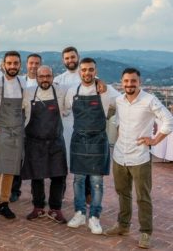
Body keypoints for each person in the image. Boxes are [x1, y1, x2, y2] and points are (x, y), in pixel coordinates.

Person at [104, 68, 173, 249]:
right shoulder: (119, 100)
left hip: (140, 157)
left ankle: (145, 232)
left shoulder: (149, 100)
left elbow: (168, 120)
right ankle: (123, 226)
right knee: (122, 193)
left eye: (133, 81)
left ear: (139, 82)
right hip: (119, 156)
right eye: (126, 81)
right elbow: (118, 122)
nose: (129, 84)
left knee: (143, 197)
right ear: (122, 82)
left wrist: (154, 140)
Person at [65, 58, 119, 234]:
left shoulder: (106, 90)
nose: (87, 73)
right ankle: (79, 213)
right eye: (84, 70)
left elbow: (123, 102)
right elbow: (65, 109)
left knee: (96, 181)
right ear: (80, 72)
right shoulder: (73, 90)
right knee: (78, 180)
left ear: (96, 71)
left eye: (91, 70)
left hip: (98, 140)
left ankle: (94, 216)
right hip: (79, 139)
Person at [21, 65, 68, 224]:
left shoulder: (61, 92)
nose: (45, 79)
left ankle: (55, 209)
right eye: (42, 77)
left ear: (53, 77)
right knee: (37, 177)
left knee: (58, 176)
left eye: (48, 76)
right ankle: (38, 207)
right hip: (34, 142)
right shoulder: (28, 93)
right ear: (36, 77)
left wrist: (98, 84)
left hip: (56, 141)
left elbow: (80, 88)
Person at [0, 51, 26, 222]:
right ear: (3, 65)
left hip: (16, 132)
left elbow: (26, 108)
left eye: (15, 63)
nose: (12, 66)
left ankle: (5, 203)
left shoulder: (23, 83)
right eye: (9, 63)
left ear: (19, 65)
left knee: (10, 169)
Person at [10, 53, 43, 202]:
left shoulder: (45, 82)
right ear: (26, 65)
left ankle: (38, 196)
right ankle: (14, 190)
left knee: (37, 161)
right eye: (31, 63)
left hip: (39, 127)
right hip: (21, 126)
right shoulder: (20, 82)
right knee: (17, 159)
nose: (34, 66)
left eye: (37, 63)